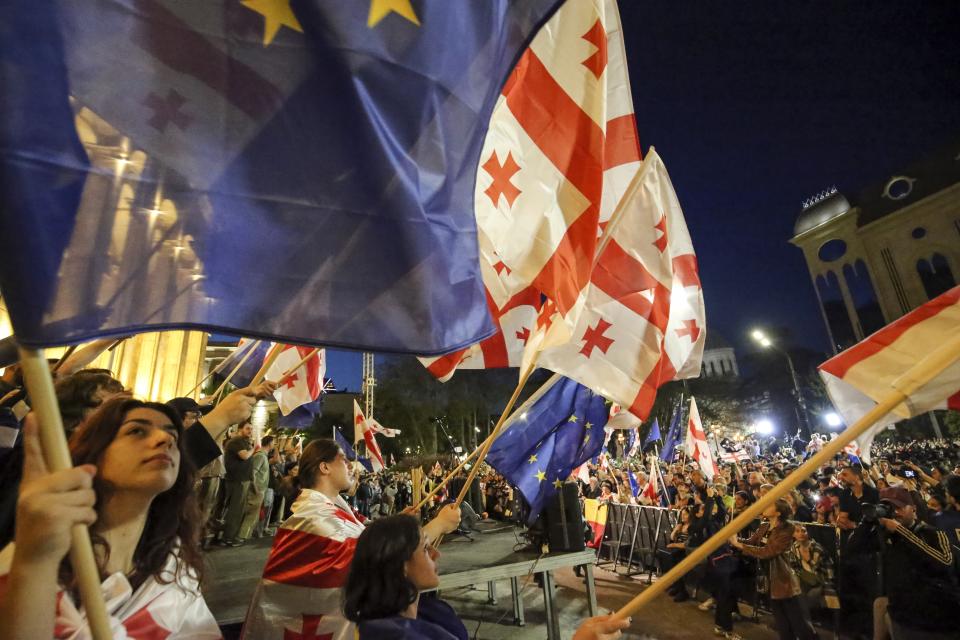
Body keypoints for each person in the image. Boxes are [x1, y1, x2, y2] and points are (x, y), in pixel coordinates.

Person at [0, 399, 220, 638]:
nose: (165, 440)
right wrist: (36, 563)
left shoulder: (175, 569)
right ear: (96, 451)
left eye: (174, 437)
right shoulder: (29, 562)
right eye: (136, 431)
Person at [243, 439, 462, 639]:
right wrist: (438, 525)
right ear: (324, 467)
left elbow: (366, 543)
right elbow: (370, 558)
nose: (351, 465)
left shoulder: (331, 510)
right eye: (343, 459)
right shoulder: (311, 518)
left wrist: (395, 527)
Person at [343, 513, 632, 639]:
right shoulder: (400, 636)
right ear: (401, 565)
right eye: (426, 548)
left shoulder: (418, 615)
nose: (436, 555)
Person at [730, 499, 818, 640]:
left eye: (770, 505)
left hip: (785, 578)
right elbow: (752, 542)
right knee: (781, 619)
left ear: (778, 512)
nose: (765, 505)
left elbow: (768, 551)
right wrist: (736, 540)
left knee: (797, 620)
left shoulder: (787, 528)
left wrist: (739, 545)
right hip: (769, 577)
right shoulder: (764, 525)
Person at [220, 421, 255, 545]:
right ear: (240, 429)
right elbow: (244, 456)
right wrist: (254, 449)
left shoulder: (244, 442)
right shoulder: (236, 441)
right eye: (247, 429)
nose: (250, 431)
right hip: (237, 480)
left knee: (239, 509)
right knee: (235, 510)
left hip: (243, 479)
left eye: (251, 429)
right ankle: (228, 537)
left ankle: (231, 535)